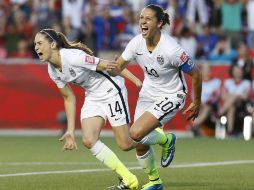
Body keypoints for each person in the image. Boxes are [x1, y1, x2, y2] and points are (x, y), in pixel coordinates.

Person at [34, 28, 143, 190]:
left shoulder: (73, 57)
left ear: (53, 45)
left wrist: (136, 81)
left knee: (126, 144)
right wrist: (70, 131)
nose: (36, 47)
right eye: (35, 44)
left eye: (39, 43)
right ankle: (129, 180)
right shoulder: (52, 70)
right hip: (93, 96)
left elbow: (109, 65)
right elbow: (68, 97)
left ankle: (160, 137)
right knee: (88, 140)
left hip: (111, 90)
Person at [110, 4, 202, 190]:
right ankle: (155, 182)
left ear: (160, 23)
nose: (142, 21)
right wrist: (98, 66)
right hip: (148, 92)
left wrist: (197, 102)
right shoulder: (136, 42)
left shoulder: (172, 49)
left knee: (135, 133)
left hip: (172, 95)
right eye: (141, 18)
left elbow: (196, 73)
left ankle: (167, 140)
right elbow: (118, 67)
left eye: (148, 18)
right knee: (138, 143)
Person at [191, 63, 221, 137]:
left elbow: (216, 96)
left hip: (212, 106)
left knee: (207, 108)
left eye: (208, 70)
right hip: (200, 106)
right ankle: (198, 129)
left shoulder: (216, 82)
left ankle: (194, 125)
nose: (206, 72)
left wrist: (204, 103)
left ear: (210, 71)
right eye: (204, 70)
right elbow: (194, 96)